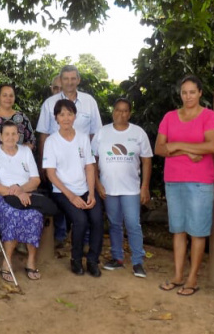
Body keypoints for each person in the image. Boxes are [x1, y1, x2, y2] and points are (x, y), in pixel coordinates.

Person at [155, 75, 214, 296]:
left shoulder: (209, 116)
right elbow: (160, 149)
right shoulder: (170, 117)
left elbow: (211, 146)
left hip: (200, 182)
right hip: (174, 180)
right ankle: (178, 275)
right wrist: (188, 150)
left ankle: (192, 279)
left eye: (192, 91)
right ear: (180, 94)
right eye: (184, 92)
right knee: (178, 230)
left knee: (198, 231)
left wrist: (177, 146)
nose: (188, 96)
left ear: (200, 93)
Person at [37, 65, 103, 249]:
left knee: (88, 202)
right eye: (65, 78)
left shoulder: (90, 102)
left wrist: (93, 161)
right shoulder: (50, 103)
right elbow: (43, 134)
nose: (69, 82)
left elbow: (95, 133)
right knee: (60, 198)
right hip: (57, 161)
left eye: (73, 78)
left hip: (84, 161)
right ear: (61, 80)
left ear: (78, 80)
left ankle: (86, 240)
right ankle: (60, 237)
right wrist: (44, 164)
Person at [92, 98, 153, 278]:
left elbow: (147, 160)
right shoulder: (102, 133)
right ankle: (117, 258)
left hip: (131, 189)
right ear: (113, 112)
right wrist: (97, 183)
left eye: (125, 110)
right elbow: (92, 160)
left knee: (133, 224)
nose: (121, 114)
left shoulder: (138, 133)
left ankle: (137, 261)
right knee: (114, 224)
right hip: (108, 189)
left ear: (130, 113)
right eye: (118, 110)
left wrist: (145, 187)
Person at [43, 99, 104, 277]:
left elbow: (89, 166)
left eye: (69, 114)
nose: (66, 118)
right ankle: (76, 259)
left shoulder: (83, 138)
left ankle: (93, 260)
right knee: (80, 220)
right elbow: (51, 174)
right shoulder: (51, 142)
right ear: (56, 118)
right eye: (62, 114)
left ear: (75, 116)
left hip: (84, 188)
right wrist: (71, 196)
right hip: (62, 191)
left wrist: (91, 193)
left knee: (97, 219)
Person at [0, 121, 44, 281]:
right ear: (0, 137)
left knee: (34, 215)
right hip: (2, 195)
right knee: (12, 214)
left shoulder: (26, 151)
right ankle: (7, 262)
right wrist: (17, 193)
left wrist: (21, 190)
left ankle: (31, 260)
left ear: (18, 136)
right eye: (7, 134)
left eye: (13, 134)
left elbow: (35, 179)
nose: (10, 137)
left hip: (27, 193)